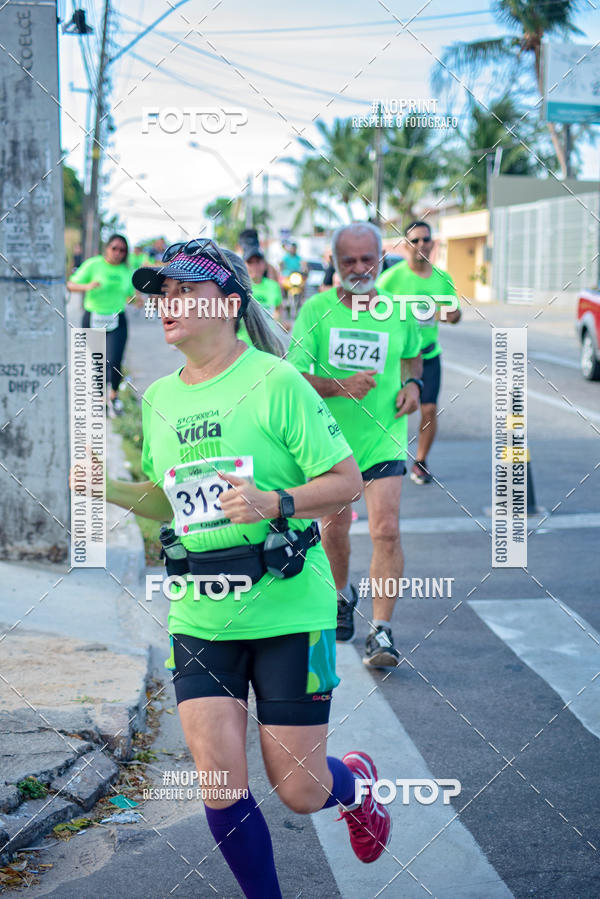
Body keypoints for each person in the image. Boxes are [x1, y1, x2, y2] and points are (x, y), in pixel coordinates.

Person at [105, 239, 392, 896]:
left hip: (289, 607)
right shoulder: (159, 399)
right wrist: (107, 489)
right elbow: (170, 501)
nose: (168, 302)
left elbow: (346, 481)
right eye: (163, 292)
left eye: (186, 290)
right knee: (220, 782)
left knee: (300, 788)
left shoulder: (276, 381)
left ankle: (355, 786)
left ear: (229, 304)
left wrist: (276, 501)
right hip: (202, 609)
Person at [288, 222, 423, 667]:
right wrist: (339, 387)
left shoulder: (399, 310)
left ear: (381, 259)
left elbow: (413, 356)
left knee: (386, 529)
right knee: (335, 529)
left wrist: (414, 385)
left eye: (368, 259)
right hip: (331, 444)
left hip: (384, 437)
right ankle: (342, 595)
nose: (360, 268)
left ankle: (381, 631)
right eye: (349, 260)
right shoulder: (316, 310)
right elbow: (293, 376)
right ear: (334, 262)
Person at [377, 220, 460, 485]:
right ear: (406, 245)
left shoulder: (442, 278)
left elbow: (456, 314)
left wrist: (441, 312)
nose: (421, 244)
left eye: (425, 239)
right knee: (391, 409)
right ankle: (386, 459)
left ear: (433, 244)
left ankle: (421, 462)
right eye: (415, 240)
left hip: (428, 355)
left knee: (429, 409)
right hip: (398, 357)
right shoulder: (391, 278)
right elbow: (373, 311)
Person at [67, 233, 134, 416]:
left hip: (117, 319)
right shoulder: (93, 264)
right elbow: (71, 285)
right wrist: (87, 286)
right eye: (114, 248)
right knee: (99, 361)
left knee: (115, 360)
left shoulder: (126, 270)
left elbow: (130, 295)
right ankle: (99, 399)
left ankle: (114, 396)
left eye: (122, 250)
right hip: (93, 317)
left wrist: (137, 300)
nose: (118, 253)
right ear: (107, 248)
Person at [244, 248, 283, 327]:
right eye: (250, 262)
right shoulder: (240, 286)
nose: (254, 266)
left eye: (258, 262)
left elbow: (278, 310)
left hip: (269, 333)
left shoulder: (274, 286)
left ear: (264, 265)